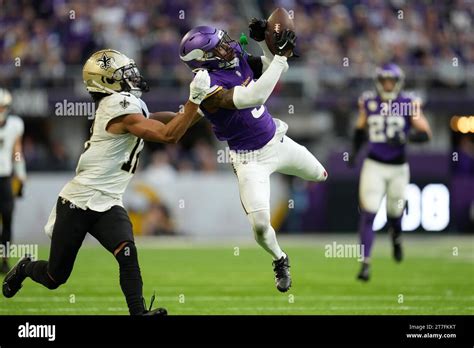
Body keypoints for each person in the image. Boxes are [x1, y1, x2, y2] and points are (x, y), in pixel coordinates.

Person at [2, 49, 210, 315]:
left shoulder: (127, 105)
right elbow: (169, 135)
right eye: (124, 74)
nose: (133, 76)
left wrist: (201, 111)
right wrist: (195, 100)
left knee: (127, 254)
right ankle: (25, 268)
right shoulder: (116, 107)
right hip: (79, 199)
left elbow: (164, 120)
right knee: (55, 277)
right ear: (106, 81)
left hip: (108, 201)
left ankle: (138, 313)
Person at [179, 21, 328, 292]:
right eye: (219, 46)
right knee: (260, 225)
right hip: (250, 160)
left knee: (321, 174)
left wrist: (266, 40)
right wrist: (280, 59)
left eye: (224, 41)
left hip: (277, 141)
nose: (227, 47)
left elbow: (273, 63)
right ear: (204, 59)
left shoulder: (236, 60)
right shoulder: (208, 87)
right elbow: (254, 96)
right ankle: (280, 259)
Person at [349, 63, 432, 281]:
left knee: (395, 212)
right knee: (369, 213)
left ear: (397, 83)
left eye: (391, 81)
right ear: (378, 82)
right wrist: (354, 152)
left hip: (398, 167)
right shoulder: (368, 101)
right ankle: (365, 263)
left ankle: (396, 238)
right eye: (384, 80)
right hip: (373, 165)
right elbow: (360, 129)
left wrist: (407, 138)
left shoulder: (407, 103)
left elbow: (426, 133)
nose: (387, 84)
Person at [0, 88, 27, 273]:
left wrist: (20, 172)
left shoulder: (15, 124)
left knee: (7, 218)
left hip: (5, 177)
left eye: (2, 107)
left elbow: (16, 151)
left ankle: (3, 259)